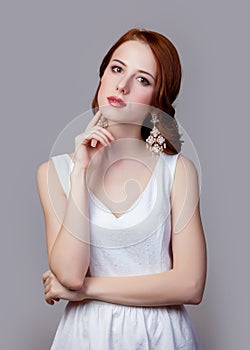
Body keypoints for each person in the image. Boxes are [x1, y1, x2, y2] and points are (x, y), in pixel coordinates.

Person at [37, 28, 207, 349]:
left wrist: (87, 290)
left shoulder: (177, 171)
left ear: (158, 99)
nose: (122, 85)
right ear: (102, 76)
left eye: (143, 79)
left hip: (161, 336)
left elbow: (191, 284)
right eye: (117, 69)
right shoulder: (54, 173)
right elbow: (70, 274)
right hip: (86, 337)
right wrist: (81, 172)